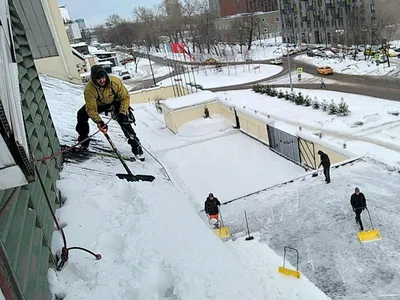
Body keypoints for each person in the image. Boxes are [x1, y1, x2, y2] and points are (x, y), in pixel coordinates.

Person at [75, 65, 144, 161]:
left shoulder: (115, 82)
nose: (101, 81)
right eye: (98, 79)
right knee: (81, 115)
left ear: (106, 76)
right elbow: (91, 109)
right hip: (99, 104)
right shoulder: (89, 89)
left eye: (103, 78)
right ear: (94, 79)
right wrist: (99, 122)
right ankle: (83, 140)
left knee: (124, 122)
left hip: (115, 102)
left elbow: (125, 97)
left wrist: (122, 112)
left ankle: (136, 147)